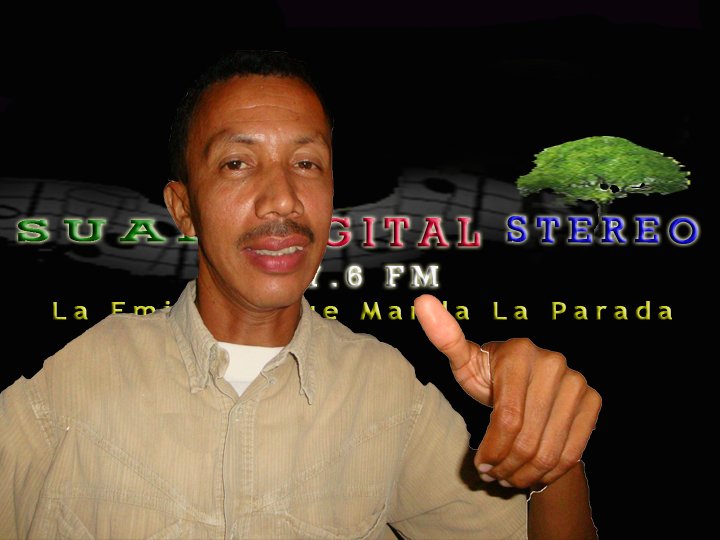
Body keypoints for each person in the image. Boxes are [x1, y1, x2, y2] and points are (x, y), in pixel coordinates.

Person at [0, 50, 600, 539]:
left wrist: (549, 456)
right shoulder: (70, 381)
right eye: (237, 163)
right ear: (183, 208)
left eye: (307, 163)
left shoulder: (385, 391)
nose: (283, 199)